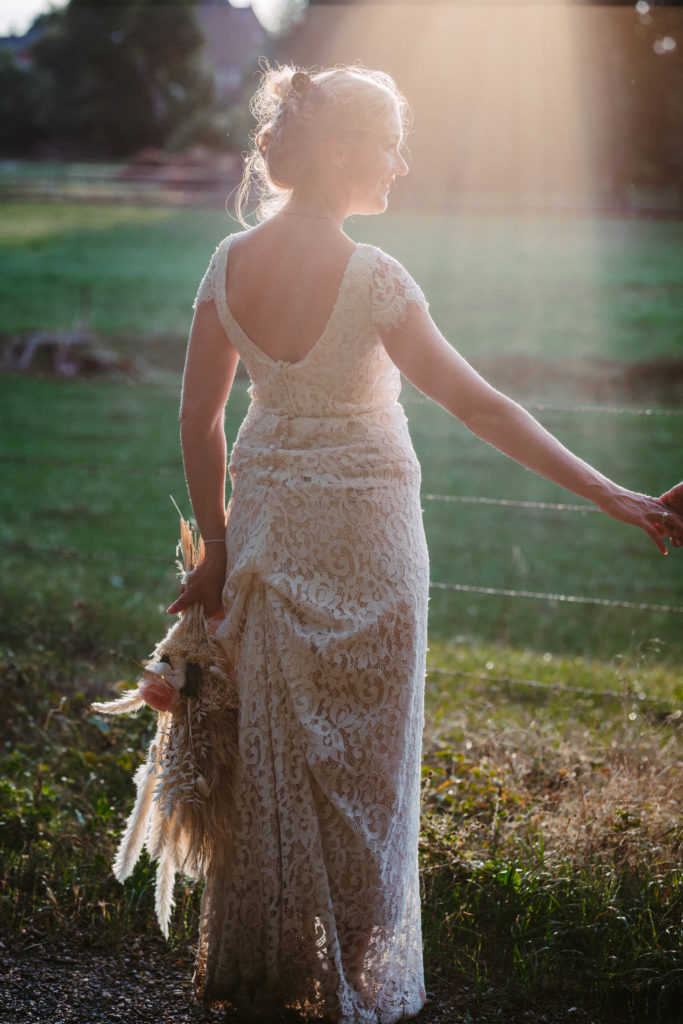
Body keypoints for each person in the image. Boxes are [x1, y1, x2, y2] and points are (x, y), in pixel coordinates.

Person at [166, 64, 682, 1022]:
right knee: (365, 774)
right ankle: (352, 985)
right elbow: (480, 404)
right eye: (390, 144)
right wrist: (615, 495)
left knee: (282, 762)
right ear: (338, 149)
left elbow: (198, 416)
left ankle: (272, 980)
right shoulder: (374, 277)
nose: (402, 164)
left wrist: (220, 549)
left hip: (271, 539)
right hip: (370, 548)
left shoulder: (229, 262)